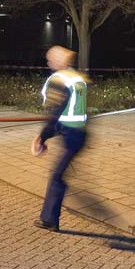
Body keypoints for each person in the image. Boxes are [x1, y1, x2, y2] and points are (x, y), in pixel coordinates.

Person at [32, 45, 89, 232]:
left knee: (57, 176)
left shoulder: (59, 79)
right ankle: (50, 216)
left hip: (69, 134)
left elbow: (56, 112)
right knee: (60, 173)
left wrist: (42, 137)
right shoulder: (77, 77)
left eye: (50, 60)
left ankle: (49, 219)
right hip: (78, 132)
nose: (48, 63)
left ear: (59, 61)